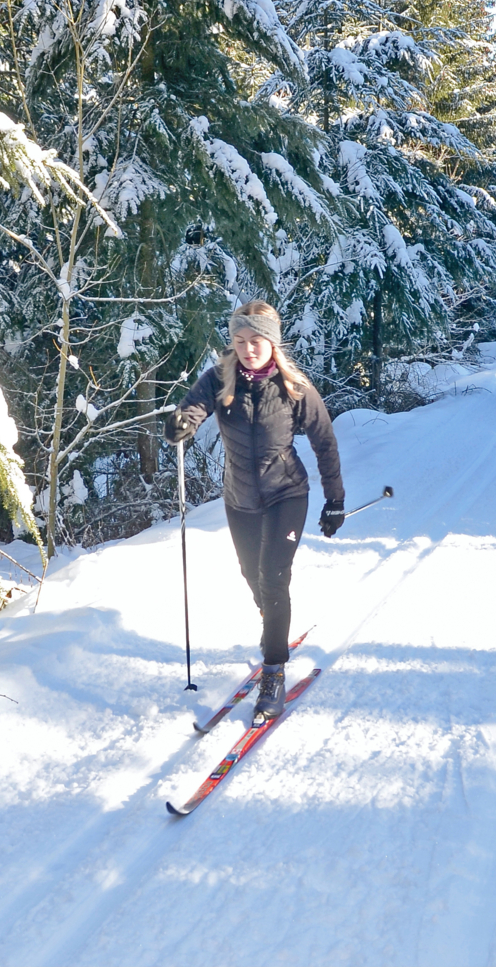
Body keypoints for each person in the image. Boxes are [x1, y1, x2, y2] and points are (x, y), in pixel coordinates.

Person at [165, 301, 344, 724]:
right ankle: (272, 619)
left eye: (257, 341)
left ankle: (274, 670)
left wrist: (334, 499)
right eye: (240, 341)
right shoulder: (219, 379)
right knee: (252, 576)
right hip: (239, 497)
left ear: (272, 342)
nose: (248, 349)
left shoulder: (294, 387)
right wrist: (181, 424)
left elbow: (325, 442)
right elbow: (192, 409)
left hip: (287, 494)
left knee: (273, 576)